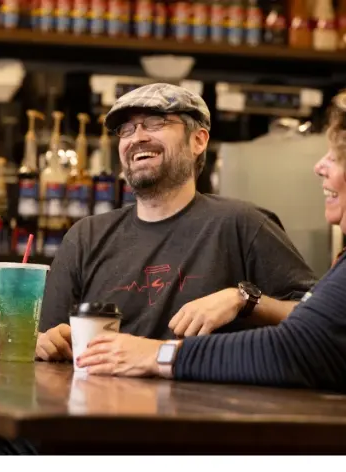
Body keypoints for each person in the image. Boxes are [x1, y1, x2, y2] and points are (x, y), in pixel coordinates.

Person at [77, 81, 346, 403]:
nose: (319, 166)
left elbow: (294, 350)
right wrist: (245, 300)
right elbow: (310, 318)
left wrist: (155, 354)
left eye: (336, 157)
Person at [36, 83, 318, 362]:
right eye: (127, 129)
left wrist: (244, 300)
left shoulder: (242, 224)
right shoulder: (85, 237)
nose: (137, 138)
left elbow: (319, 319)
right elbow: (47, 341)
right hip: (99, 403)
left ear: (198, 141)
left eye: (155, 123)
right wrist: (46, 344)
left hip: (201, 405)